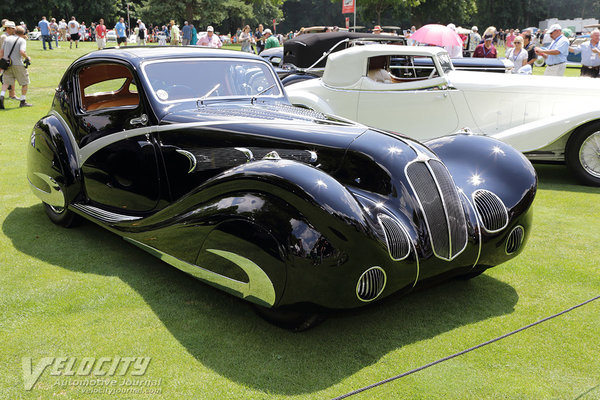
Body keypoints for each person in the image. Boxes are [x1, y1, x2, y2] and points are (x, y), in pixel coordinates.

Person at [0, 26, 32, 109]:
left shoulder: (7, 38)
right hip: (18, 64)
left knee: (6, 82)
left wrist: (1, 61)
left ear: (14, 31)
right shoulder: (22, 40)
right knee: (25, 82)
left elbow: (1, 51)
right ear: (23, 33)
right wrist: (27, 57)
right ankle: (23, 101)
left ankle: (1, 96)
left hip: (7, 63)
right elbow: (21, 51)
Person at [0, 20, 17, 100]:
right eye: (13, 28)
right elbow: (3, 50)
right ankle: (12, 94)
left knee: (11, 77)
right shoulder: (4, 37)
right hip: (5, 60)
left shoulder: (9, 36)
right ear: (8, 28)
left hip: (9, 60)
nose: (14, 30)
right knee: (8, 77)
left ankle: (12, 94)